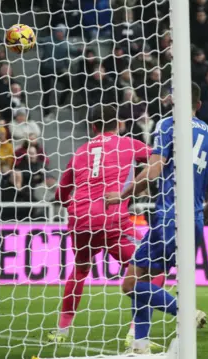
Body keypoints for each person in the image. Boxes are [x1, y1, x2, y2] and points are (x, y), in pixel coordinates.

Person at [109, 83, 208, 354]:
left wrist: (123, 195)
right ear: (198, 105)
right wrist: (205, 214)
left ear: (176, 102)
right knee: (136, 281)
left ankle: (184, 313)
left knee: (133, 284)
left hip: (168, 217)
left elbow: (152, 172)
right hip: (192, 220)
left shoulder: (167, 124)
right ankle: (140, 346)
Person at [48, 105, 165, 344]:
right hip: (112, 220)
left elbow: (60, 195)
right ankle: (136, 332)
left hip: (79, 220)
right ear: (119, 124)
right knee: (152, 269)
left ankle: (61, 331)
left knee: (80, 269)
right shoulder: (129, 144)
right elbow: (158, 159)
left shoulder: (80, 151)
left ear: (92, 126)